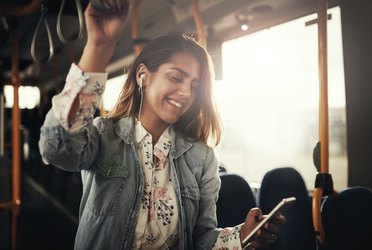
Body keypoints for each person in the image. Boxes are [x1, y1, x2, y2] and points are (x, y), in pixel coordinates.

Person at [38, 1, 285, 249]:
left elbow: (201, 238)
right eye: (176, 77)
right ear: (142, 76)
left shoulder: (201, 157)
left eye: (194, 86)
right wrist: (99, 47)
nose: (186, 92)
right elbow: (56, 149)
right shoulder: (104, 135)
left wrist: (241, 237)